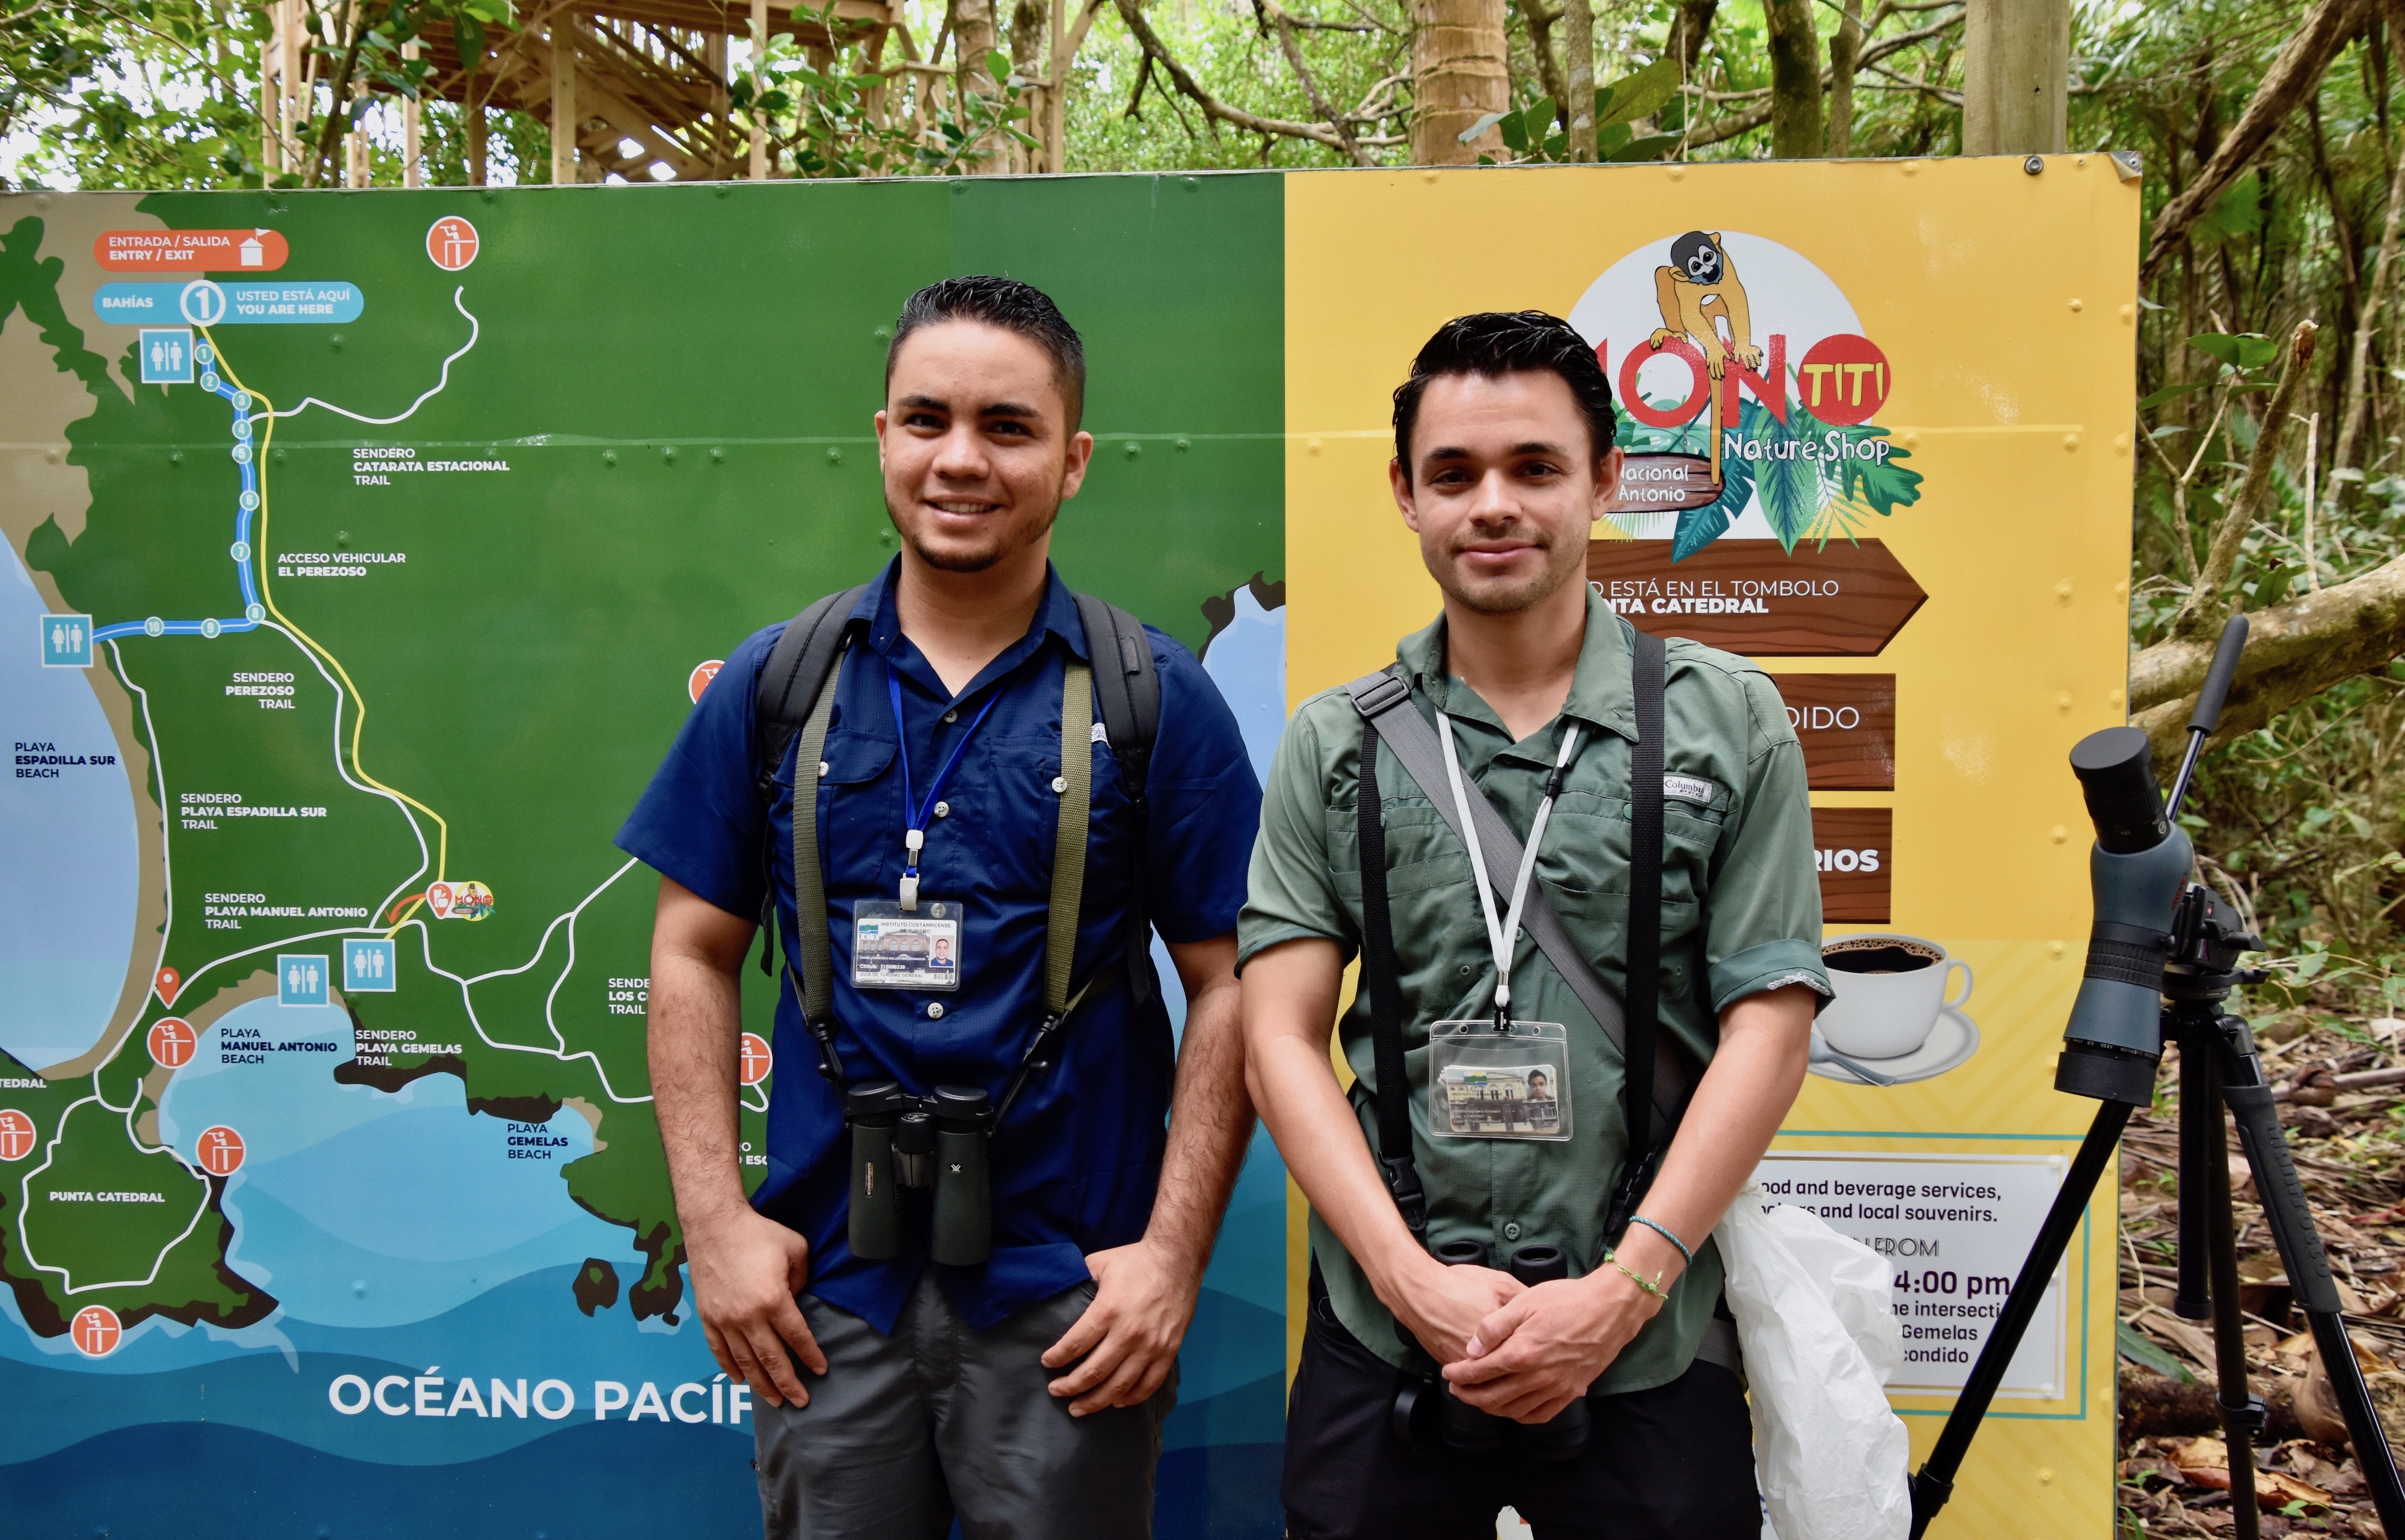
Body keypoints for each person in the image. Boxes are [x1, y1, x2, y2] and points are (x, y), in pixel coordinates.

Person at [623, 277, 1262, 1540]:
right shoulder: (777, 683)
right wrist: (715, 1229)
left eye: (1007, 427)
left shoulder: (1151, 699)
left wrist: (1171, 1256)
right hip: (825, 1292)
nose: (959, 457)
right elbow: (691, 951)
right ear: (881, 437)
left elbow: (1234, 980)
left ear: (1071, 460)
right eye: (926, 419)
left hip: (1068, 1294)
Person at [1240, 311, 1830, 1539]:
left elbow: (1767, 1026)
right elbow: (1280, 1036)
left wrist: (1620, 1290)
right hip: (1384, 1329)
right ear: (1404, 494)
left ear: (1605, 479)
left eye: (1533, 467)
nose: (1491, 504)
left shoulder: (1730, 723)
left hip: (1647, 1333)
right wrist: (1409, 1281)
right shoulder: (1330, 742)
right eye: (1452, 473)